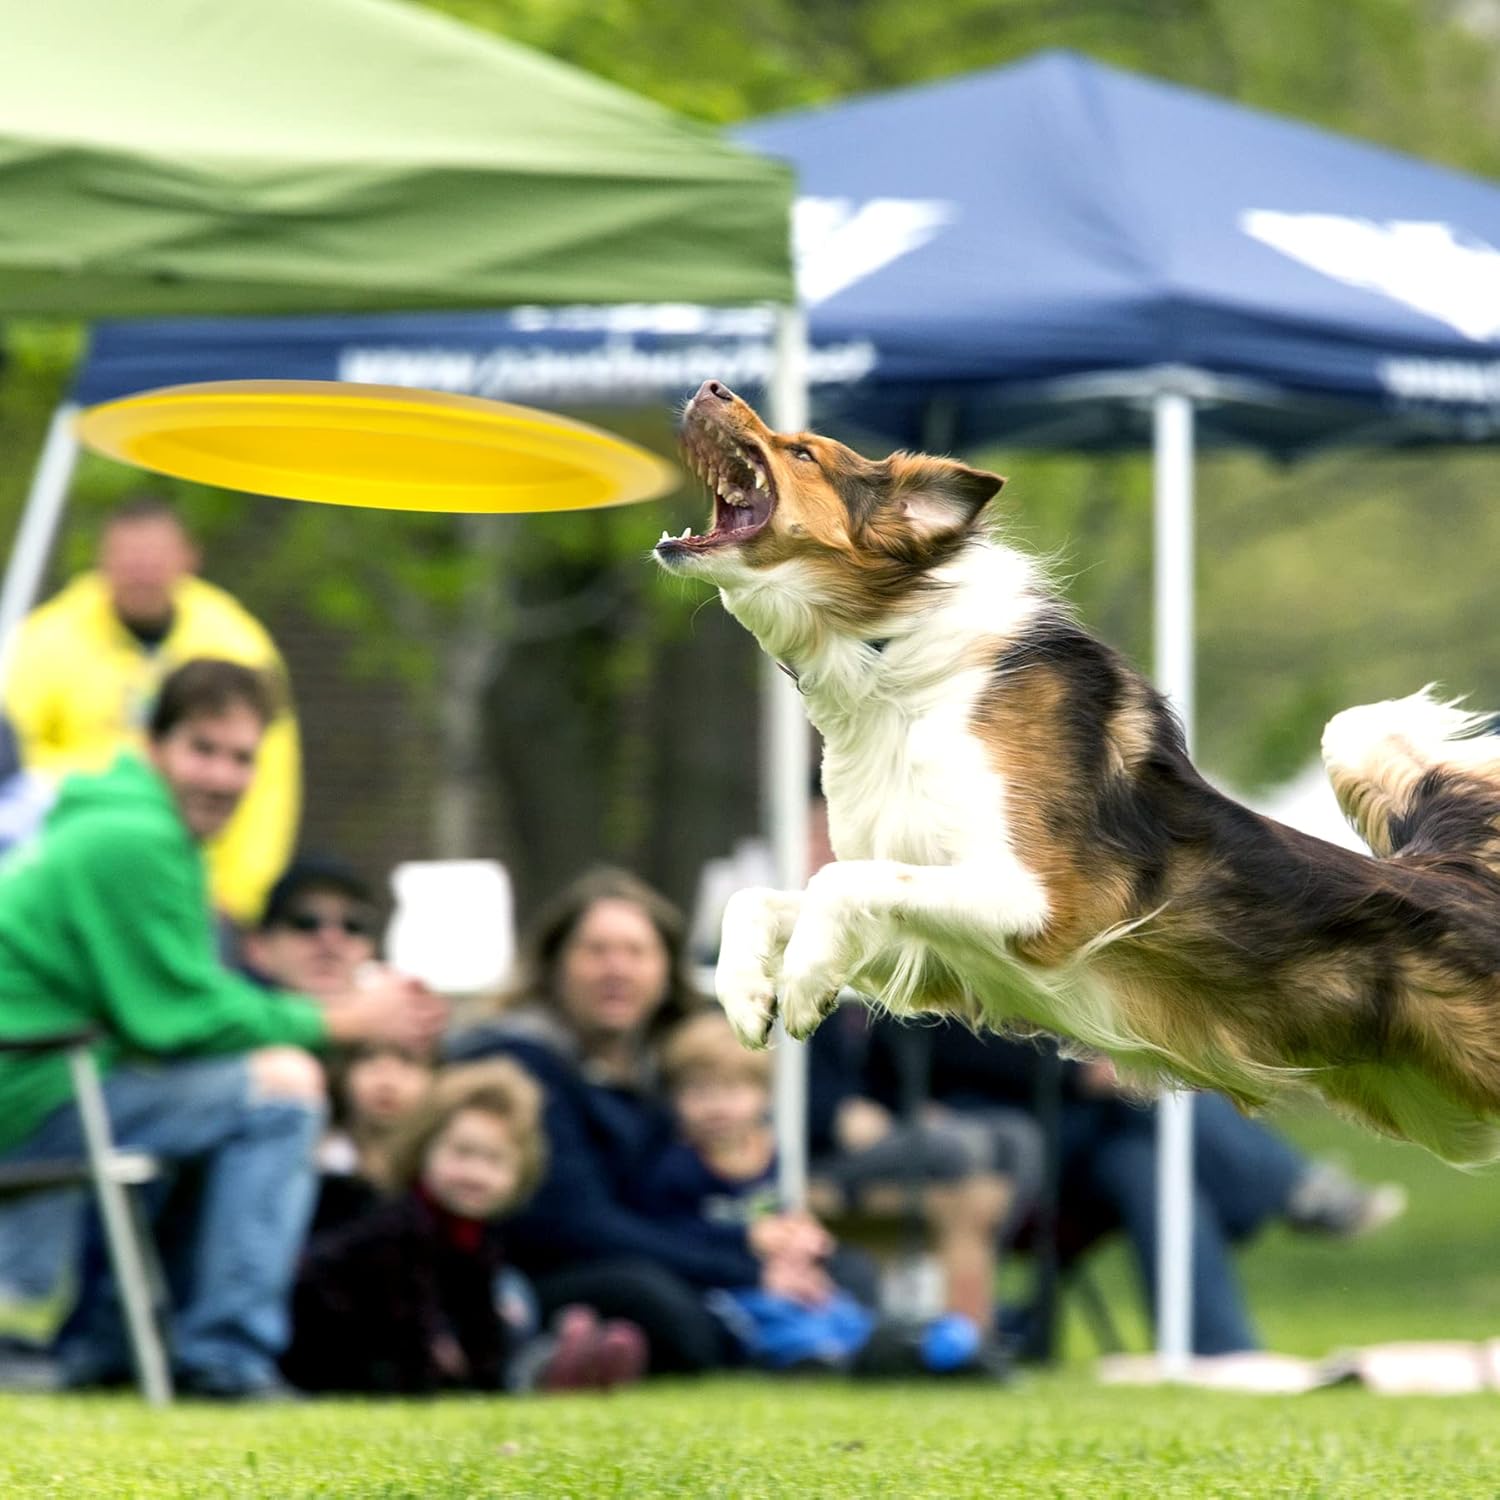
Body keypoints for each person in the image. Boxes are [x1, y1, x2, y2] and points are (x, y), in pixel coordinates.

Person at [0, 657, 445, 1397]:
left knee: (225, 1091)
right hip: (30, 1089)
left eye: (242, 757)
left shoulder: (127, 820)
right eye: (202, 749)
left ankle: (121, 1346)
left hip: (57, 1078)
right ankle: (225, 1359)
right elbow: (179, 1019)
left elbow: (177, 1012)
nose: (222, 776)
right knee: (284, 1087)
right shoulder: (133, 836)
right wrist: (345, 1018)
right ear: (155, 745)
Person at [446, 866, 857, 1374]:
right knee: (657, 1304)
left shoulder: (673, 1070)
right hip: (542, 1270)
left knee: (844, 1270)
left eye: (636, 952)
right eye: (595, 951)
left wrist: (771, 1239)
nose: (616, 969)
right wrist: (743, 1264)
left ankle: (901, 1347)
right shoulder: (519, 1060)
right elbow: (575, 1225)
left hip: (659, 1250)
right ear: (554, 965)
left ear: (665, 972)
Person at [864, 1020, 1406, 1356]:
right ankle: (1290, 1187)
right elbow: (936, 1045)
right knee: (1149, 1100)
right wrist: (1078, 1073)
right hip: (999, 1140)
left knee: (1145, 1163)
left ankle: (1220, 1353)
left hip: (1079, 1137)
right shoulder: (926, 943)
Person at [642, 1009, 1008, 1378]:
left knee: (844, 1302)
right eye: (699, 1092)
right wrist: (746, 1239)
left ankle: (937, 1344)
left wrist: (805, 1239)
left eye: (732, 1091)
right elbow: (671, 1235)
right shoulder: (676, 1167)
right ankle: (823, 1357)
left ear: (763, 1094)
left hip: (793, 1279)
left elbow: (787, 1215)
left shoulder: (774, 1160)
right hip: (733, 1288)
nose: (717, 1107)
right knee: (771, 1319)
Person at [3, 496, 301, 923]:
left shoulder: (236, 641)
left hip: (198, 887)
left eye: (155, 557)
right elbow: (11, 764)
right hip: (70, 874)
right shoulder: (46, 639)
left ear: (188, 558)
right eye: (128, 558)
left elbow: (271, 778)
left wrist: (241, 893)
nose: (142, 572)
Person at [282, 1058, 645, 1395]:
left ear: (519, 1174)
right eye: (462, 1153)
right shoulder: (400, 1227)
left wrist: (484, 1374)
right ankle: (545, 1370)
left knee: (500, 1321)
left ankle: (564, 1366)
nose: (475, 1174)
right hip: (332, 1348)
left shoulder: (478, 1235)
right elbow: (408, 1326)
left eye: (494, 1160)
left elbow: (478, 1318)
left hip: (401, 1346)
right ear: (424, 1151)